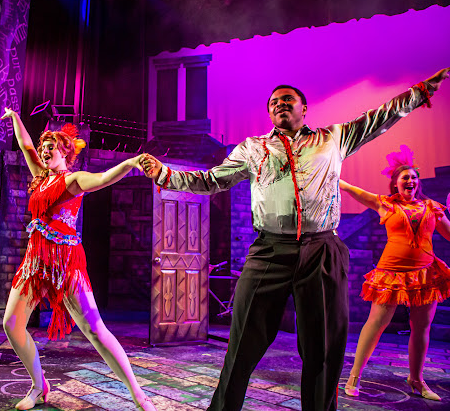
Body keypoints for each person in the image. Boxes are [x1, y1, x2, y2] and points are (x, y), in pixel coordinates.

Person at [140, 68, 450, 411]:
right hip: (269, 250)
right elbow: (212, 180)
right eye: (274, 102)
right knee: (242, 344)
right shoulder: (253, 148)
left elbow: (379, 117)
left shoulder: (333, 138)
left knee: (323, 348)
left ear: (304, 108)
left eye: (288, 99)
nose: (280, 104)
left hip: (322, 250)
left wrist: (420, 93)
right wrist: (165, 174)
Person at [0, 108, 156, 411]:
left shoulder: (74, 180)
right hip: (35, 263)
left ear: (64, 153)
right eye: (44, 148)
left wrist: (131, 162)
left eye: (51, 148)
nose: (44, 152)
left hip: (66, 265)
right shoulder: (40, 177)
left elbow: (104, 178)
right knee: (12, 324)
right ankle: (39, 386)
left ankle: (139, 394)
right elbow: (26, 145)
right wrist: (16, 118)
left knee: (95, 330)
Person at [341, 145, 450, 401]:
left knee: (421, 328)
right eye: (405, 177)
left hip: (425, 275)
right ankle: (354, 376)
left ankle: (416, 380)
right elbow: (354, 190)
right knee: (376, 324)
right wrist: (333, 176)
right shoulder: (386, 204)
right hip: (391, 274)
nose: (410, 181)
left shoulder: (432, 208)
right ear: (395, 183)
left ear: (418, 181)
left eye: (414, 177)